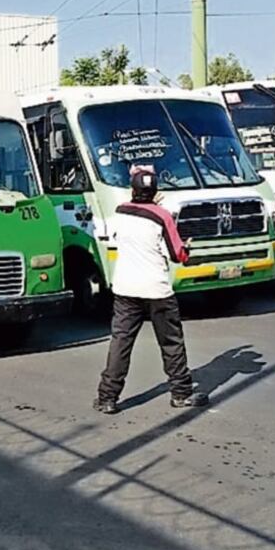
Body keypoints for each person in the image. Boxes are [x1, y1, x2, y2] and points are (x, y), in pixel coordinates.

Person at [93, 165, 208, 415]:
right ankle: (180, 393)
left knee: (121, 342)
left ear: (132, 190)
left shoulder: (120, 211)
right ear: (156, 191)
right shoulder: (163, 216)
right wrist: (186, 248)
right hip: (157, 291)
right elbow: (178, 255)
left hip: (125, 289)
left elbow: (120, 230)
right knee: (171, 343)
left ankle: (107, 397)